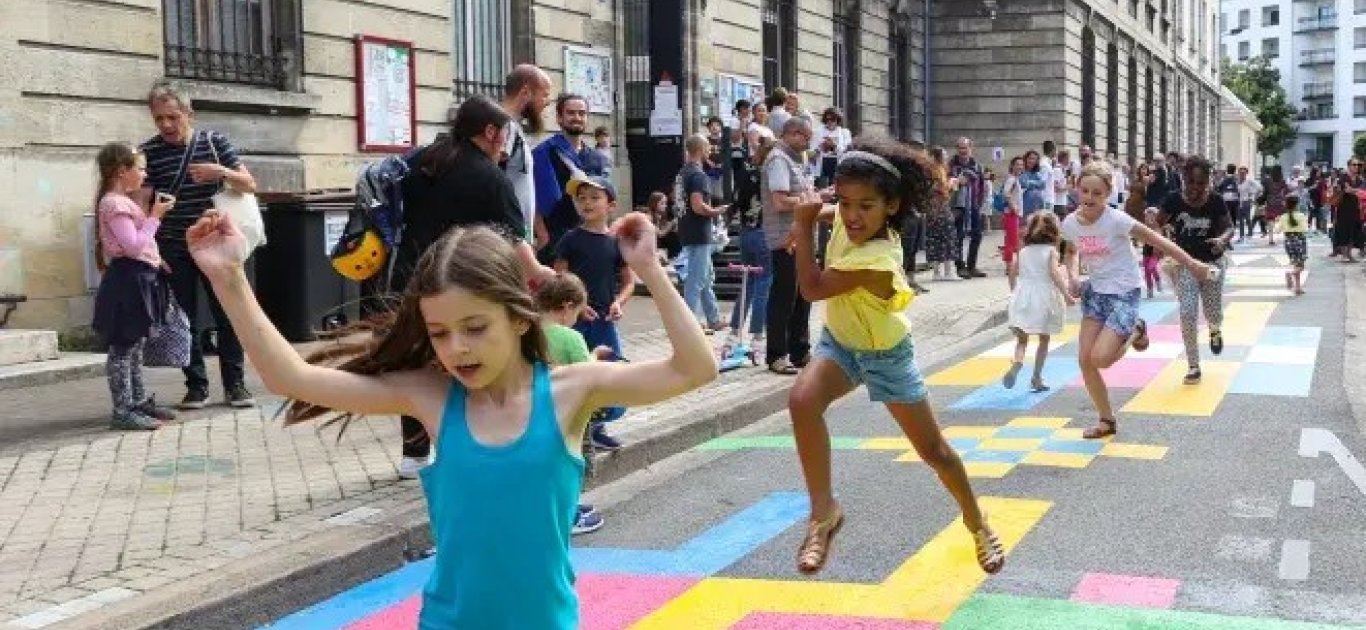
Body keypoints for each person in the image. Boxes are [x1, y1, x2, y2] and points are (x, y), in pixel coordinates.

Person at [186, 209, 717, 628]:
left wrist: (649, 269)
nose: (457, 347)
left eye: (475, 327)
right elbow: (292, 378)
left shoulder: (573, 390)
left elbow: (695, 368)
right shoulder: (433, 397)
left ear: (518, 316)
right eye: (439, 333)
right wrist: (229, 277)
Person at [786, 136, 1005, 577]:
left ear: (891, 206)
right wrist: (817, 212)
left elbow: (811, 288)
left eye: (866, 206)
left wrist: (803, 227)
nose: (851, 216)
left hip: (886, 354)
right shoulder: (848, 217)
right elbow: (831, 213)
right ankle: (824, 513)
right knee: (802, 401)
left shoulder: (879, 257)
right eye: (845, 202)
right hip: (841, 343)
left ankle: (976, 520)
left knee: (935, 452)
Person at [392, 93, 556, 478]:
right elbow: (515, 241)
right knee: (466, 360)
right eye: (505, 135)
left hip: (410, 279)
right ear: (490, 132)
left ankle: (414, 453)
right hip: (463, 286)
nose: (506, 145)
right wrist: (543, 275)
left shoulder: (421, 161)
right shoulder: (488, 177)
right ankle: (468, 443)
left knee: (415, 360)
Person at [1063, 161, 1215, 439]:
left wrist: (1193, 264)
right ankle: (1106, 421)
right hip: (1095, 294)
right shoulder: (1070, 223)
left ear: (1108, 194)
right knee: (1085, 360)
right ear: (1077, 190)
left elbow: (1159, 241)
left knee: (1101, 359)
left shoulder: (1117, 220)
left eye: (1097, 193)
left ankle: (1136, 329)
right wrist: (1072, 277)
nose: (1089, 197)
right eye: (1084, 191)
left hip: (1124, 292)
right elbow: (1071, 251)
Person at [141, 81, 257, 410]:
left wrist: (220, 172)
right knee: (183, 318)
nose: (166, 125)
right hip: (173, 245)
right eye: (159, 118)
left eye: (172, 117)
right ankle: (196, 387)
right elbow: (143, 204)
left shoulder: (214, 142)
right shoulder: (149, 152)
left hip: (216, 244)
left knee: (228, 313)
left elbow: (250, 184)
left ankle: (236, 385)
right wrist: (149, 249)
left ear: (188, 113)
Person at [91, 142, 178, 431]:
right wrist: (155, 217)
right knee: (123, 347)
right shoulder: (115, 204)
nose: (144, 174)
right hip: (128, 281)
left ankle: (137, 402)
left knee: (135, 345)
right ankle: (123, 410)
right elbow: (132, 246)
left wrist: (157, 260)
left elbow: (140, 246)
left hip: (138, 277)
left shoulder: (122, 202)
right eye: (140, 168)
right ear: (121, 171)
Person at [554, 175, 634, 451]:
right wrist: (576, 305)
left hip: (604, 321)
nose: (586, 203)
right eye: (581, 198)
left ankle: (596, 427)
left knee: (611, 374)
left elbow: (629, 282)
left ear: (611, 205)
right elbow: (559, 279)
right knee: (573, 373)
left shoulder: (616, 243)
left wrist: (618, 303)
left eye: (594, 198)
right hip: (573, 321)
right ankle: (573, 429)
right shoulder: (570, 239)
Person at [535, 272, 612, 535]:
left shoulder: (525, 331)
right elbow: (586, 373)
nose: (576, 319)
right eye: (577, 313)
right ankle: (567, 514)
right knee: (573, 462)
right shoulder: (570, 338)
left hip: (533, 413)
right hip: (569, 416)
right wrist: (596, 355)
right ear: (567, 307)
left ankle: (552, 508)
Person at [1149, 156, 1233, 385]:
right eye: (1191, 182)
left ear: (1208, 181)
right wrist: (1161, 238)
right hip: (1184, 263)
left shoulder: (1215, 200)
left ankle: (1214, 329)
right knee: (1187, 311)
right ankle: (1193, 365)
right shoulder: (1174, 199)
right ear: (1184, 179)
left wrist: (1222, 240)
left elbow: (1229, 228)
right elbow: (1157, 223)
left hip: (1212, 263)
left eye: (1201, 183)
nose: (1196, 188)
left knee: (1212, 309)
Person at [762, 117, 816, 374]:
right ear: (793, 133)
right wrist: (810, 199)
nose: (808, 143)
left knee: (804, 295)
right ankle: (777, 354)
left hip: (801, 237)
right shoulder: (778, 160)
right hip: (785, 239)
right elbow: (780, 202)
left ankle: (800, 351)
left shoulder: (796, 160)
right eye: (806, 137)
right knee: (784, 297)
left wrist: (814, 197)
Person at [1003, 211, 1075, 392]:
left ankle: (1018, 362)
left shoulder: (1023, 251)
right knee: (1044, 339)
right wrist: (1066, 295)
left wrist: (1014, 292)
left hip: (1023, 294)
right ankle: (1036, 377)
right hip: (1043, 297)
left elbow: (1012, 272)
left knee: (1022, 339)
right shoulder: (1051, 251)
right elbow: (1054, 274)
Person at [533, 94, 603, 256]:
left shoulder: (595, 158)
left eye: (581, 113)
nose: (577, 117)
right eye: (571, 113)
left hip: (587, 237)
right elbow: (533, 198)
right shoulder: (543, 152)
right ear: (559, 118)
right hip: (554, 240)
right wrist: (542, 235)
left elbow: (601, 199)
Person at [676, 134, 729, 332]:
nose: (710, 151)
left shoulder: (682, 174)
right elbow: (698, 206)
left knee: (706, 277)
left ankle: (713, 318)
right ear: (700, 150)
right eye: (708, 148)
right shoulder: (698, 175)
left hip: (686, 228)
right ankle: (690, 324)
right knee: (696, 279)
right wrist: (716, 211)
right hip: (699, 231)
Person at [726, 137, 774, 342]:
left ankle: (735, 329)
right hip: (763, 230)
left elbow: (735, 201)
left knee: (748, 281)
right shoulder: (768, 176)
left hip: (745, 231)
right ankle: (757, 332)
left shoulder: (745, 172)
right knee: (764, 281)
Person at [500, 65, 553, 242]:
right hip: (508, 236)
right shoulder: (505, 127)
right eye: (544, 94)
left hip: (515, 235)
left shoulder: (513, 127)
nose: (547, 102)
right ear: (525, 92)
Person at [948, 138, 987, 278]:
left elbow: (982, 185)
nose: (963, 150)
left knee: (977, 235)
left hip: (973, 205)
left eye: (965, 148)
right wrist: (957, 182)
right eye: (960, 148)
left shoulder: (977, 166)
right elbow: (945, 185)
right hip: (957, 206)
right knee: (958, 236)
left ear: (971, 148)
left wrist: (980, 202)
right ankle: (960, 267)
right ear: (957, 149)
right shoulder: (950, 166)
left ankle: (972, 266)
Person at [924, 147, 959, 282]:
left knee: (934, 238)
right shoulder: (937, 170)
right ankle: (948, 271)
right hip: (940, 207)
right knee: (947, 237)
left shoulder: (931, 170)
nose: (946, 158)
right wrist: (952, 183)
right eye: (944, 155)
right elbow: (941, 189)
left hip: (933, 208)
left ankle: (937, 272)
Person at [1331, 160, 1363, 261]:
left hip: (1356, 208)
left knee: (1354, 231)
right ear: (1349, 166)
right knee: (1343, 230)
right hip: (1343, 209)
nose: (1356, 167)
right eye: (1354, 165)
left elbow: (1361, 191)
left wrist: (1353, 190)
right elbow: (1345, 190)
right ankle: (1344, 254)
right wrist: (1356, 191)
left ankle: (1349, 254)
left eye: (1358, 165)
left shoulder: (1359, 179)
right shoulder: (1343, 177)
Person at [1277, 196, 1309, 296]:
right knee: (1301, 266)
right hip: (1299, 240)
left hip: (1288, 241)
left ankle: (1297, 288)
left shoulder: (1283, 217)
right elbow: (1305, 229)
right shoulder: (1301, 216)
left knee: (1295, 264)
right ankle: (1290, 274)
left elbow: (1277, 230)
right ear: (1297, 205)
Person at [999, 156, 1025, 266]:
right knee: (1012, 242)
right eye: (1017, 164)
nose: (1020, 167)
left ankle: (1010, 266)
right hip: (1011, 214)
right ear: (1012, 166)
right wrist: (1014, 207)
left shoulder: (1014, 179)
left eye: (1021, 165)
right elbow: (1006, 193)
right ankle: (1010, 267)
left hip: (1011, 214)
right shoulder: (1012, 179)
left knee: (1011, 240)